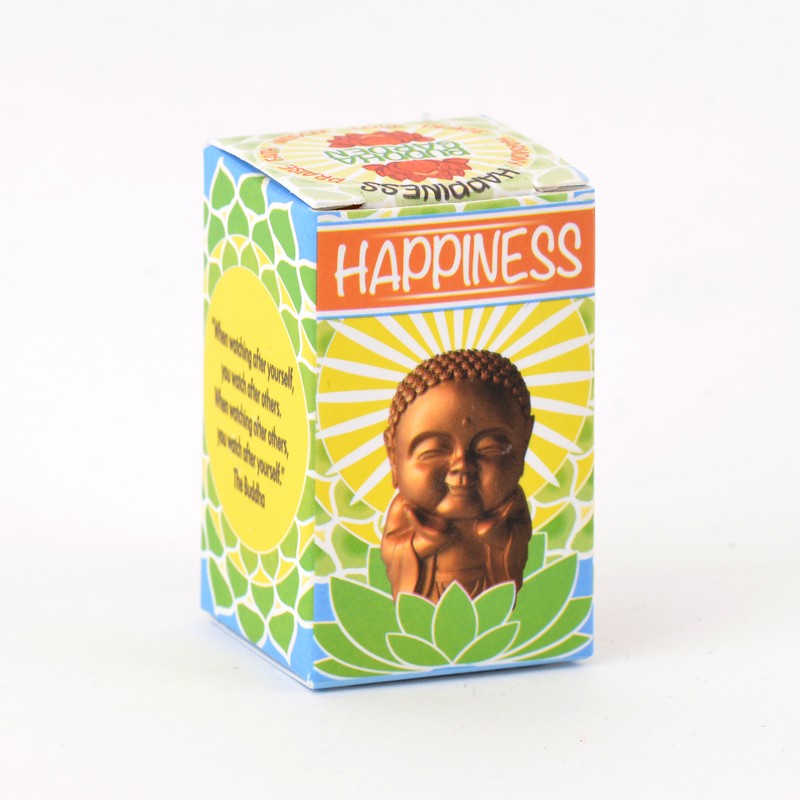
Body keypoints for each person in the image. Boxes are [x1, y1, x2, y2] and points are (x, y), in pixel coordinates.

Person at [381, 349, 534, 602]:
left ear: (524, 442)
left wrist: (498, 536)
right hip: (429, 592)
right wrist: (424, 543)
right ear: (393, 455)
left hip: (489, 587)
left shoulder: (511, 505)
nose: (462, 465)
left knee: (492, 614)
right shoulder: (404, 509)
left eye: (490, 448)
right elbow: (392, 550)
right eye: (433, 451)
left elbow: (520, 540)